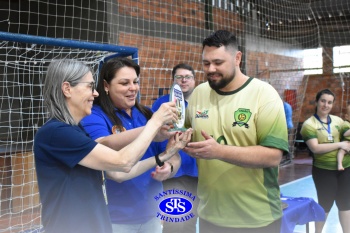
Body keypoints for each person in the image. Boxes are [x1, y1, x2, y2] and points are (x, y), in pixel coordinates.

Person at [34, 59, 192, 233]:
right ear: (67, 89)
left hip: (114, 220)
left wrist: (163, 157)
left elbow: (117, 172)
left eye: (135, 82)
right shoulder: (57, 132)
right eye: (89, 87)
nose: (95, 93)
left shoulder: (75, 129)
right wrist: (154, 124)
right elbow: (121, 161)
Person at [182, 30, 289, 233]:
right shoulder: (198, 94)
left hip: (257, 219)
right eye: (206, 63)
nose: (211, 69)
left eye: (218, 62)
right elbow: (187, 136)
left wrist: (219, 151)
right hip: (209, 216)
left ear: (237, 58)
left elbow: (273, 156)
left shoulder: (264, 94)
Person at [80, 57, 191, 233]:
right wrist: (152, 127)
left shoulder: (146, 114)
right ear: (106, 86)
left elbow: (172, 155)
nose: (133, 88)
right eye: (124, 83)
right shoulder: (94, 115)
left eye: (135, 82)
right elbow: (103, 144)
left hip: (152, 214)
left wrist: (169, 168)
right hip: (114, 219)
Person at [152, 63, 198, 233]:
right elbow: (153, 133)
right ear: (173, 80)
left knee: (191, 219)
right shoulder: (162, 103)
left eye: (188, 77)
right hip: (173, 172)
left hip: (197, 171)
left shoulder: (201, 104)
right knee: (175, 222)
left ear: (194, 80)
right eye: (179, 77)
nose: (184, 80)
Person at [300, 88, 350, 233]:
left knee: (346, 203)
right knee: (325, 203)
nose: (325, 105)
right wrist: (340, 144)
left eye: (329, 102)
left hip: (345, 169)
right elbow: (315, 148)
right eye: (323, 101)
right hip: (324, 171)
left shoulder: (338, 121)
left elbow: (347, 134)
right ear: (316, 102)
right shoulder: (309, 125)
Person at [280, 101, 294, 165]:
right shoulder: (287, 105)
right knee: (288, 143)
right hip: (289, 126)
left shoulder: (285, 106)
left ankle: (288, 157)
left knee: (287, 143)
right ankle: (289, 157)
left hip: (287, 126)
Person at [337, 104, 350, 171]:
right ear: (347, 117)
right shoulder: (346, 124)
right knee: (341, 152)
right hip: (345, 144)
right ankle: (339, 164)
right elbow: (345, 134)